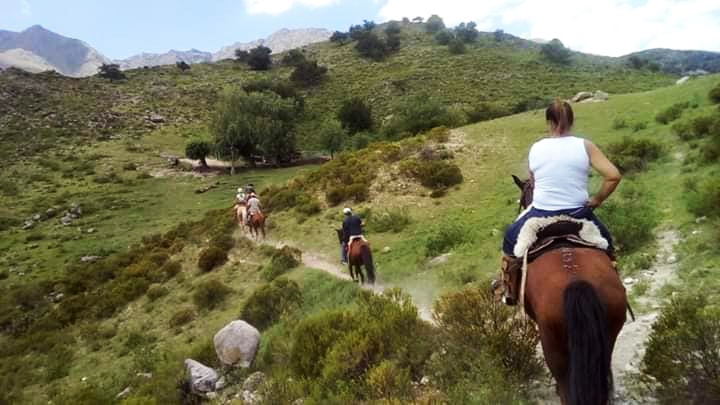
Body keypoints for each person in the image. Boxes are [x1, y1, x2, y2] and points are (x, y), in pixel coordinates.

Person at [499, 99, 621, 305]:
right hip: (579, 213)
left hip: (540, 214)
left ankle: (508, 291)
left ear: (549, 122)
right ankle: (616, 278)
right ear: (572, 121)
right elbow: (613, 176)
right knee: (607, 245)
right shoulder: (585, 145)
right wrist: (596, 200)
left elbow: (534, 181)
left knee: (509, 241)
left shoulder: (536, 147)